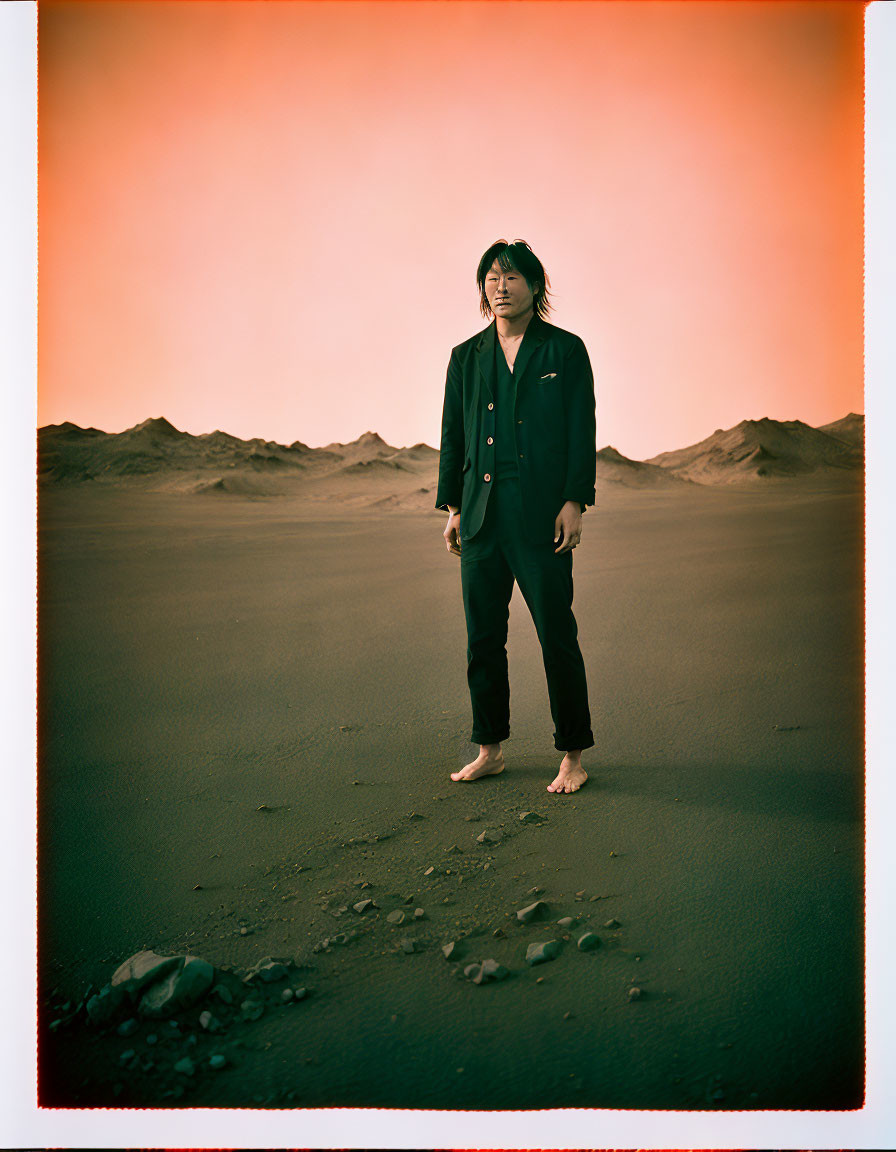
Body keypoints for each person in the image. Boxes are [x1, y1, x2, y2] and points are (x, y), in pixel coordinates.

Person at [436, 239, 596, 794]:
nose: (500, 288)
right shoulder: (465, 356)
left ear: (535, 286)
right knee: (483, 638)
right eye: (491, 279)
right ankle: (490, 749)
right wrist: (454, 508)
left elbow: (582, 432)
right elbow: (453, 437)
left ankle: (573, 756)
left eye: (511, 278)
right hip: (481, 519)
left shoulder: (564, 352)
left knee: (556, 634)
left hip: (541, 521)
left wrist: (575, 501)